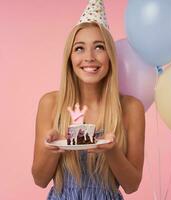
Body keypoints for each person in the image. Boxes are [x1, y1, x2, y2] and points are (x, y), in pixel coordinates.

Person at [31, 1, 145, 199]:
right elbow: (40, 180)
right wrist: (53, 148)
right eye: (79, 48)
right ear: (70, 58)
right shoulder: (50, 104)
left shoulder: (131, 108)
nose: (89, 57)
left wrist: (112, 151)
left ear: (110, 55)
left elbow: (132, 185)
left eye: (99, 47)